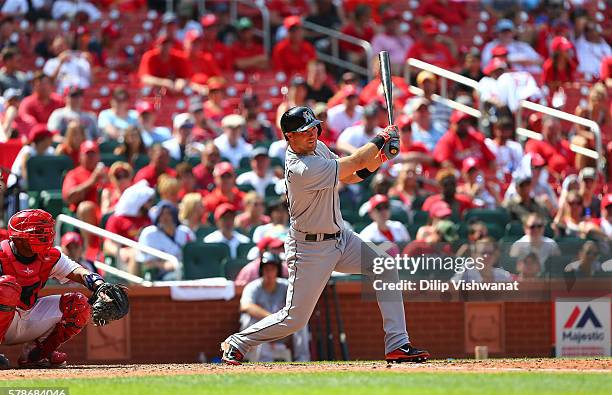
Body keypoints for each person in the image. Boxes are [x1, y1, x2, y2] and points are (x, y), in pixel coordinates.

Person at [221, 105, 429, 364]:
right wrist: (380, 139)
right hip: (310, 249)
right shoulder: (300, 168)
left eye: (313, 128)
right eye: (303, 131)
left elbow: (351, 175)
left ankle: (397, 344)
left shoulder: (316, 147)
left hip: (340, 237)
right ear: (289, 137)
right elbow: (353, 161)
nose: (311, 134)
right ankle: (238, 341)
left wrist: (382, 157)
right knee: (294, 319)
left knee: (385, 266)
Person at [0, 209, 128, 368]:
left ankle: (37, 354)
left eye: (46, 231)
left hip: (27, 317)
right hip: (5, 320)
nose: (45, 235)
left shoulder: (50, 255)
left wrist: (100, 285)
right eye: (38, 231)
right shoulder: (1, 254)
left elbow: (78, 271)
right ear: (19, 236)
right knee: (6, 287)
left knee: (78, 304)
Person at [239, 251, 310, 362]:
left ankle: (302, 360)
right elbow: (245, 306)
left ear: (278, 271)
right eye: (266, 269)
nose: (269, 273)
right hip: (260, 332)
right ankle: (263, 362)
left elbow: (300, 305)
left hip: (282, 331)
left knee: (300, 321)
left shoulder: (286, 286)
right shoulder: (253, 286)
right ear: (261, 271)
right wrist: (271, 319)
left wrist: (280, 321)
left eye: (273, 269)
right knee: (249, 319)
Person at [138, 201, 195, 281]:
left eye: (169, 213)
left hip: (186, 270)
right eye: (162, 214)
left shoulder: (185, 232)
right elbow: (146, 262)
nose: (165, 217)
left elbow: (194, 254)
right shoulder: (149, 234)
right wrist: (163, 265)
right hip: (161, 274)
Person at [61, 140, 106, 214]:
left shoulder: (106, 172)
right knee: (85, 208)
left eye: (93, 154)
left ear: (98, 156)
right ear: (80, 156)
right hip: (83, 217)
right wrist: (92, 182)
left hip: (105, 211)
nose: (91, 157)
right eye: (88, 154)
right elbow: (68, 198)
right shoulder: (73, 174)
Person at [8, 125, 55, 190]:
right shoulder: (27, 151)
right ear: (42, 139)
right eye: (49, 137)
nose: (52, 138)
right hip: (18, 189)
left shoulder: (50, 151)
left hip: (38, 187)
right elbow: (25, 175)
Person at [370, 9, 413, 75]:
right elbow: (376, 58)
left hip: (407, 68)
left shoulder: (406, 38)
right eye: (391, 22)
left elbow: (412, 55)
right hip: (390, 69)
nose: (394, 24)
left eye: (396, 21)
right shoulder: (379, 38)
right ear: (385, 23)